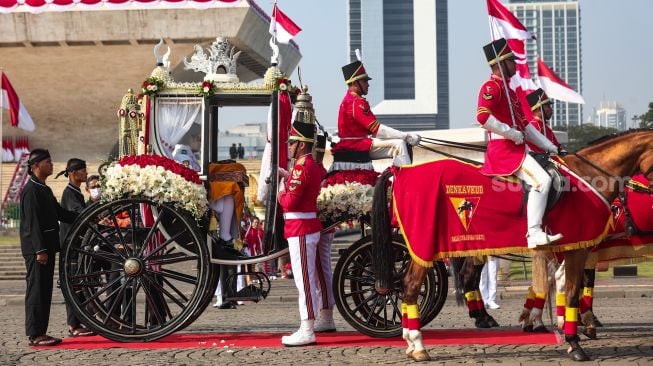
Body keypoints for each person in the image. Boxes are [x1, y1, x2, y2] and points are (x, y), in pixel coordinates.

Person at [476, 38, 563, 249]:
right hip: (504, 151)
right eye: (512, 61)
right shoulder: (491, 86)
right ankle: (533, 233)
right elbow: (482, 117)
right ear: (501, 63)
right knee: (542, 181)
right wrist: (510, 134)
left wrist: (549, 147)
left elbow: (526, 128)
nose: (515, 65)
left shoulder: (510, 91)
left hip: (516, 149)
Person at [20, 149, 77, 346]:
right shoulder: (31, 190)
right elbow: (32, 223)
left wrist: (87, 216)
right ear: (36, 165)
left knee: (45, 290)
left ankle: (40, 332)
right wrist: (39, 250)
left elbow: (60, 213)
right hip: (38, 251)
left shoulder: (43, 188)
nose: (52, 165)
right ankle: (35, 334)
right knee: (37, 291)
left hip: (47, 248)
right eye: (48, 162)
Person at [278, 120, 325, 346]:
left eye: (292, 143)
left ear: (302, 145)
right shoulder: (311, 165)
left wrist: (280, 191)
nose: (289, 147)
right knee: (308, 278)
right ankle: (309, 323)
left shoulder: (302, 166)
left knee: (304, 280)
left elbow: (291, 202)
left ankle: (307, 328)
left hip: (300, 228)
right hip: (304, 227)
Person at [332, 60, 421, 167]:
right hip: (356, 145)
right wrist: (406, 136)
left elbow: (374, 131)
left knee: (399, 142)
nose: (368, 85)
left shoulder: (349, 100)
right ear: (355, 83)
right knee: (399, 144)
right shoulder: (356, 102)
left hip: (355, 143)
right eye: (365, 81)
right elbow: (376, 129)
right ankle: (405, 180)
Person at [56, 158, 96, 337]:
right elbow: (79, 214)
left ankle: (78, 322)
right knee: (73, 287)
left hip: (77, 246)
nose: (86, 174)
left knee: (78, 286)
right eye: (83, 171)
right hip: (71, 247)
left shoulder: (76, 192)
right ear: (73, 173)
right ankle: (73, 325)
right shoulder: (70, 193)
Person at [312, 133, 336, 332]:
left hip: (320, 227)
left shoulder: (317, 171)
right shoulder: (321, 170)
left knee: (322, 271)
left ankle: (327, 314)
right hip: (319, 227)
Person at [526, 88, 565, 154]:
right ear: (538, 108)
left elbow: (557, 146)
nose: (551, 110)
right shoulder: (534, 125)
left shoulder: (545, 127)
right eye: (548, 106)